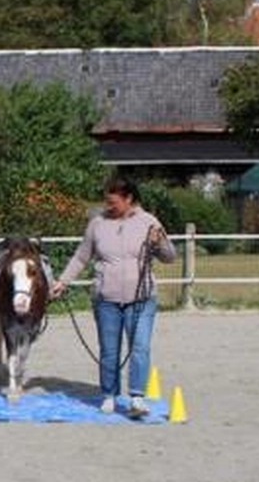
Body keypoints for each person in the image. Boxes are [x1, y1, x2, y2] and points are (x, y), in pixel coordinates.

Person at [50, 174, 176, 419]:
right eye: (107, 202)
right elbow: (81, 257)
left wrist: (159, 242)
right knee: (109, 350)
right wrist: (63, 281)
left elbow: (170, 256)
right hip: (106, 298)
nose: (109, 207)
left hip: (141, 297)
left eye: (113, 202)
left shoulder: (149, 222)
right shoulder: (97, 224)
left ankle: (137, 397)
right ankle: (109, 395)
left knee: (140, 346)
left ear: (129, 199)